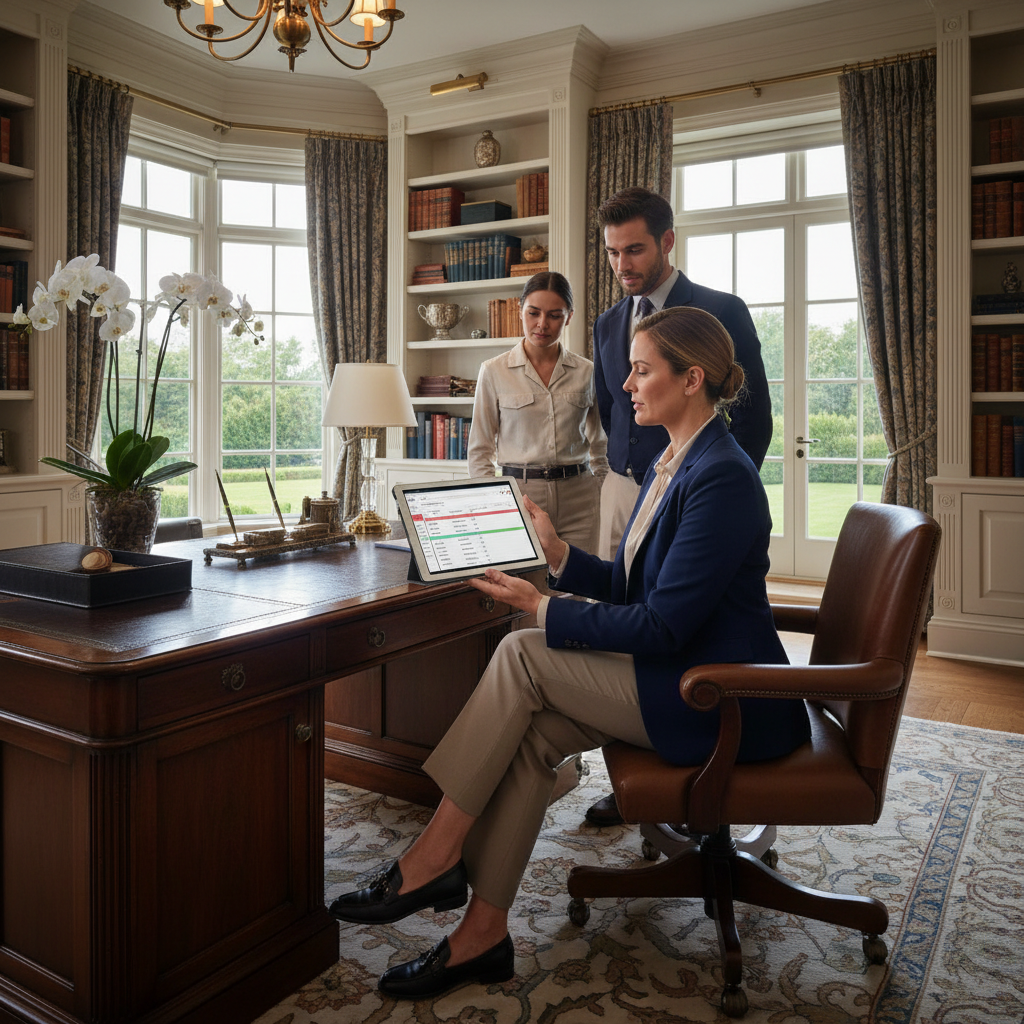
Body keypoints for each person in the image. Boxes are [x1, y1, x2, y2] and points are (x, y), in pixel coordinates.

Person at [328, 305, 810, 1001]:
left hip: (719, 698)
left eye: (643, 371)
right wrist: (559, 557)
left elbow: (663, 626)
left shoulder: (721, 478)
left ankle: (432, 858)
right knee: (532, 736)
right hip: (677, 676)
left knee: (525, 649)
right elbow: (634, 587)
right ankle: (482, 935)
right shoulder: (673, 462)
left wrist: (542, 606)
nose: (627, 386)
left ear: (692, 379)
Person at [588, 186, 775, 827]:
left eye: (634, 249)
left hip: (698, 488)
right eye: (612, 252)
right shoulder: (610, 321)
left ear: (668, 242)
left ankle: (674, 748)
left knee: (672, 623)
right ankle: (643, 759)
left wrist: (708, 487)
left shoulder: (720, 311)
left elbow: (752, 420)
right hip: (628, 489)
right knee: (621, 609)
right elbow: (610, 405)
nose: (622, 264)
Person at [467, 271, 607, 554]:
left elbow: (602, 443)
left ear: (569, 317)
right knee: (525, 591)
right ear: (521, 312)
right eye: (534, 313)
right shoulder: (493, 371)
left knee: (580, 589)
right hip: (520, 497)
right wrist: (496, 503)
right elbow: (479, 450)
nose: (542, 324)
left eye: (555, 315)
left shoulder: (588, 372)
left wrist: (601, 488)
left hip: (580, 499)